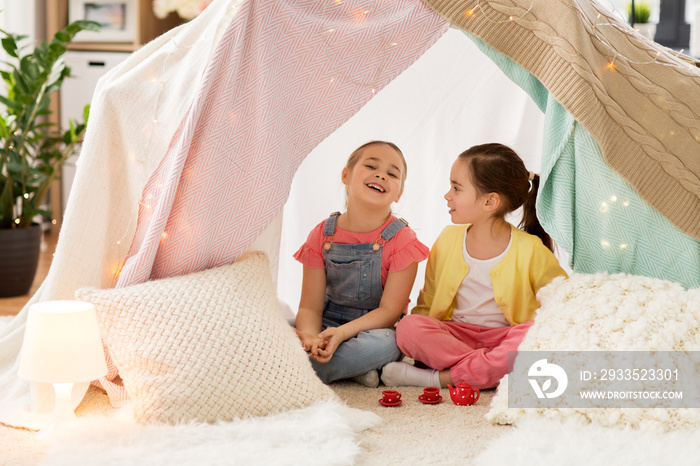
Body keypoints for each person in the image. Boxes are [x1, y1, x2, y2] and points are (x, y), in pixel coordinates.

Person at [381, 143, 568, 389]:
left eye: (456, 188)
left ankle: (440, 378)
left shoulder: (531, 249)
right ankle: (488, 371)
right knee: (408, 327)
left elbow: (562, 304)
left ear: (490, 202)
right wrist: (419, 340)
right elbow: (427, 300)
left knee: (533, 335)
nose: (447, 195)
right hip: (454, 336)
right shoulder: (448, 238)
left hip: (504, 339)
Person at [293, 141, 429, 387]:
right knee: (275, 321)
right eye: (371, 166)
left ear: (399, 193)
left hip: (374, 328)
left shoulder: (402, 240)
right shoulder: (322, 234)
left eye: (392, 173)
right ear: (346, 175)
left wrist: (343, 333)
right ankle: (347, 368)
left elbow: (389, 312)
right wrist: (311, 338)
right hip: (326, 322)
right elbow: (310, 308)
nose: (381, 175)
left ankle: (301, 370)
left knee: (387, 344)